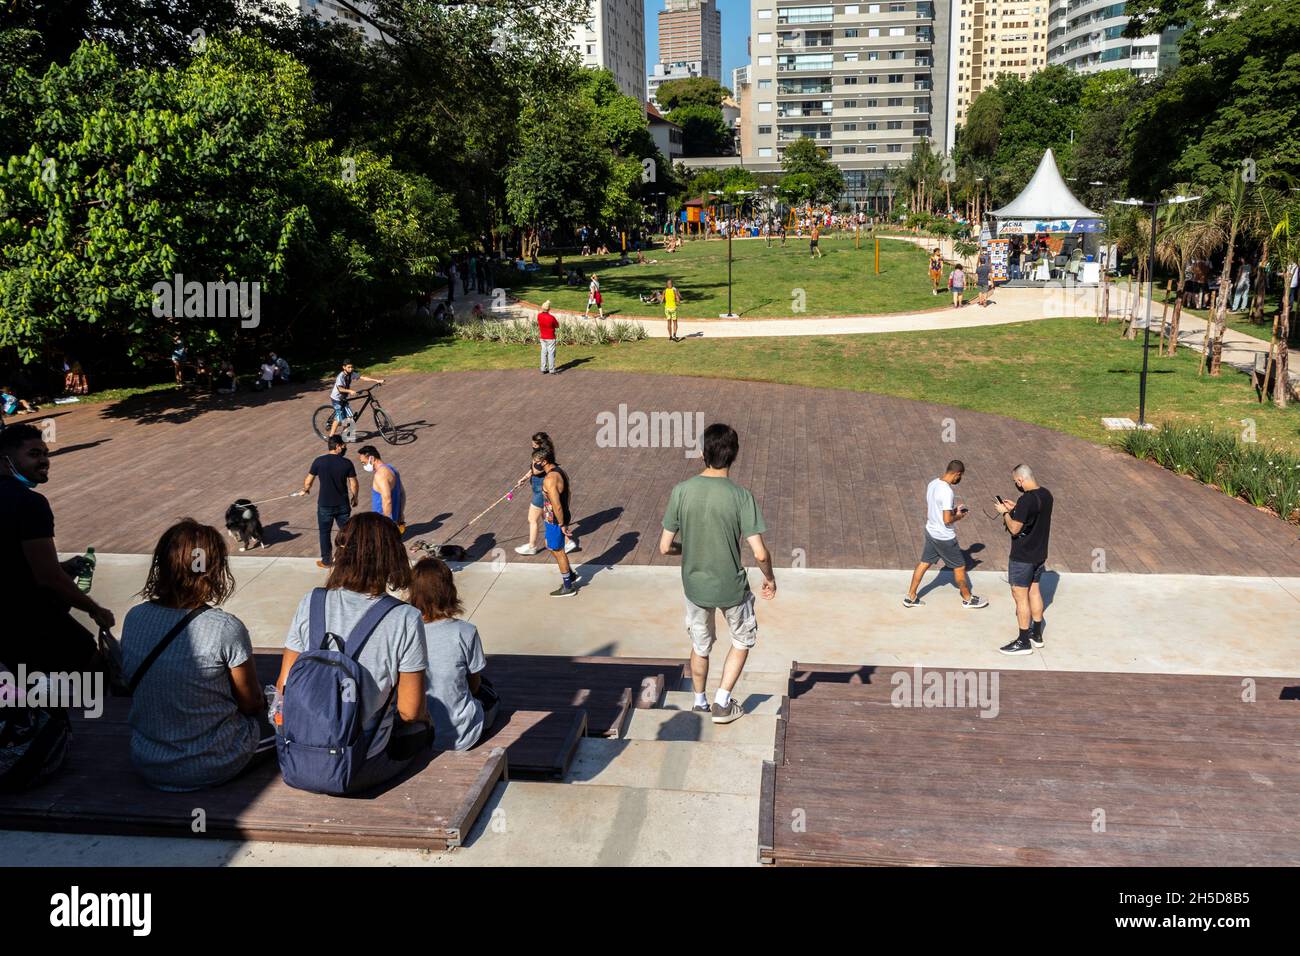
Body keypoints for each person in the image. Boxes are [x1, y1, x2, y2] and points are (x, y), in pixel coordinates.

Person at [277, 513, 431, 792]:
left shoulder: (311, 601)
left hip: (297, 759)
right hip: (360, 765)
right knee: (423, 731)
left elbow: (284, 686)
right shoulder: (404, 618)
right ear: (391, 557)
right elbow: (410, 712)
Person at [122, 519, 275, 791]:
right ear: (213, 570)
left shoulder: (135, 617)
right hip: (211, 762)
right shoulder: (225, 627)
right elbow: (251, 704)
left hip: (147, 759)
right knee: (287, 722)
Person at [660, 424, 775, 725]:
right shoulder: (741, 496)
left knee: (700, 645)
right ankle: (722, 702)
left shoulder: (681, 491)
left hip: (695, 586)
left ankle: (699, 701)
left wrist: (689, 549)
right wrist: (770, 578)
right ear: (734, 455)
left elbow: (664, 547)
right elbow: (760, 553)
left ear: (702, 453)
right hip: (731, 587)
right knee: (741, 639)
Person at [0, 423, 115, 674]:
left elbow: (15, 563)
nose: (44, 461)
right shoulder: (29, 503)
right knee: (92, 670)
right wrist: (94, 609)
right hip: (26, 618)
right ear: (6, 459)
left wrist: (65, 568)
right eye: (34, 454)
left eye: (45, 454)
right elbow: (48, 577)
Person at [409, 556, 499, 751]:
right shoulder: (465, 631)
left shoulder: (403, 631)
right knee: (489, 692)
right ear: (448, 590)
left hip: (418, 734)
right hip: (462, 734)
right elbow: (474, 686)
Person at [903, 460, 987, 610]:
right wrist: (959, 516)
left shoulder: (933, 483)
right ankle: (968, 599)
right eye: (960, 477)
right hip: (944, 538)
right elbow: (947, 520)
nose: (958, 480)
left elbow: (937, 508)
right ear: (957, 474)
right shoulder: (947, 491)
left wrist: (954, 510)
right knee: (960, 568)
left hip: (931, 532)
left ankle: (910, 596)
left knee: (924, 563)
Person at [994, 464, 1054, 656]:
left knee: (1020, 597)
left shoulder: (1026, 500)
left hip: (1023, 557)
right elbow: (1032, 516)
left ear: (1020, 480)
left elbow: (1015, 529)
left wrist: (1004, 512)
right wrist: (1016, 509)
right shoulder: (1046, 495)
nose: (1016, 485)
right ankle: (1036, 633)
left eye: (1015, 482)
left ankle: (1022, 641)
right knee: (1034, 592)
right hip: (1039, 554)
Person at [302, 435, 358, 569]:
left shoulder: (319, 461)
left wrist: (306, 489)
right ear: (337, 446)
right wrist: (355, 497)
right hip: (343, 505)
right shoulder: (346, 463)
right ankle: (350, 559)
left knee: (324, 533)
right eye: (343, 445)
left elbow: (308, 480)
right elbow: (354, 483)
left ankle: (326, 561)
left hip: (324, 505)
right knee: (346, 533)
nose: (344, 447)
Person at [534, 445, 579, 596]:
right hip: (552, 519)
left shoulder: (550, 479)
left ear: (544, 461)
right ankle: (570, 574)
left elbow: (557, 505)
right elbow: (569, 494)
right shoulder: (561, 471)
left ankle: (568, 586)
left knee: (558, 551)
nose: (535, 465)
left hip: (555, 520)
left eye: (537, 461)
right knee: (550, 545)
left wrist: (562, 524)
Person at [327, 361, 384, 439]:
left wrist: (376, 380)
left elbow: (362, 377)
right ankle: (331, 437)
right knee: (339, 418)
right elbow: (340, 389)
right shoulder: (341, 376)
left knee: (350, 418)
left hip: (343, 397)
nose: (351, 369)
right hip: (337, 398)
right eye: (348, 367)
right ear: (344, 367)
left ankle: (344, 435)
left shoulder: (351, 374)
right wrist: (350, 391)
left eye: (352, 367)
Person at [356, 444, 405, 533]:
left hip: (381, 524)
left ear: (372, 458)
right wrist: (400, 515)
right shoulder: (392, 469)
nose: (364, 466)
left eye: (364, 462)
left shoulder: (380, 476)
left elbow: (387, 500)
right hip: (393, 521)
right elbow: (402, 494)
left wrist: (387, 525)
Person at [537, 300, 558, 375]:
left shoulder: (539, 316)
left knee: (543, 352)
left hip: (543, 337)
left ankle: (543, 368)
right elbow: (557, 325)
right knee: (551, 353)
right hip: (550, 337)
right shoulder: (551, 317)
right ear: (549, 309)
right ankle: (551, 369)